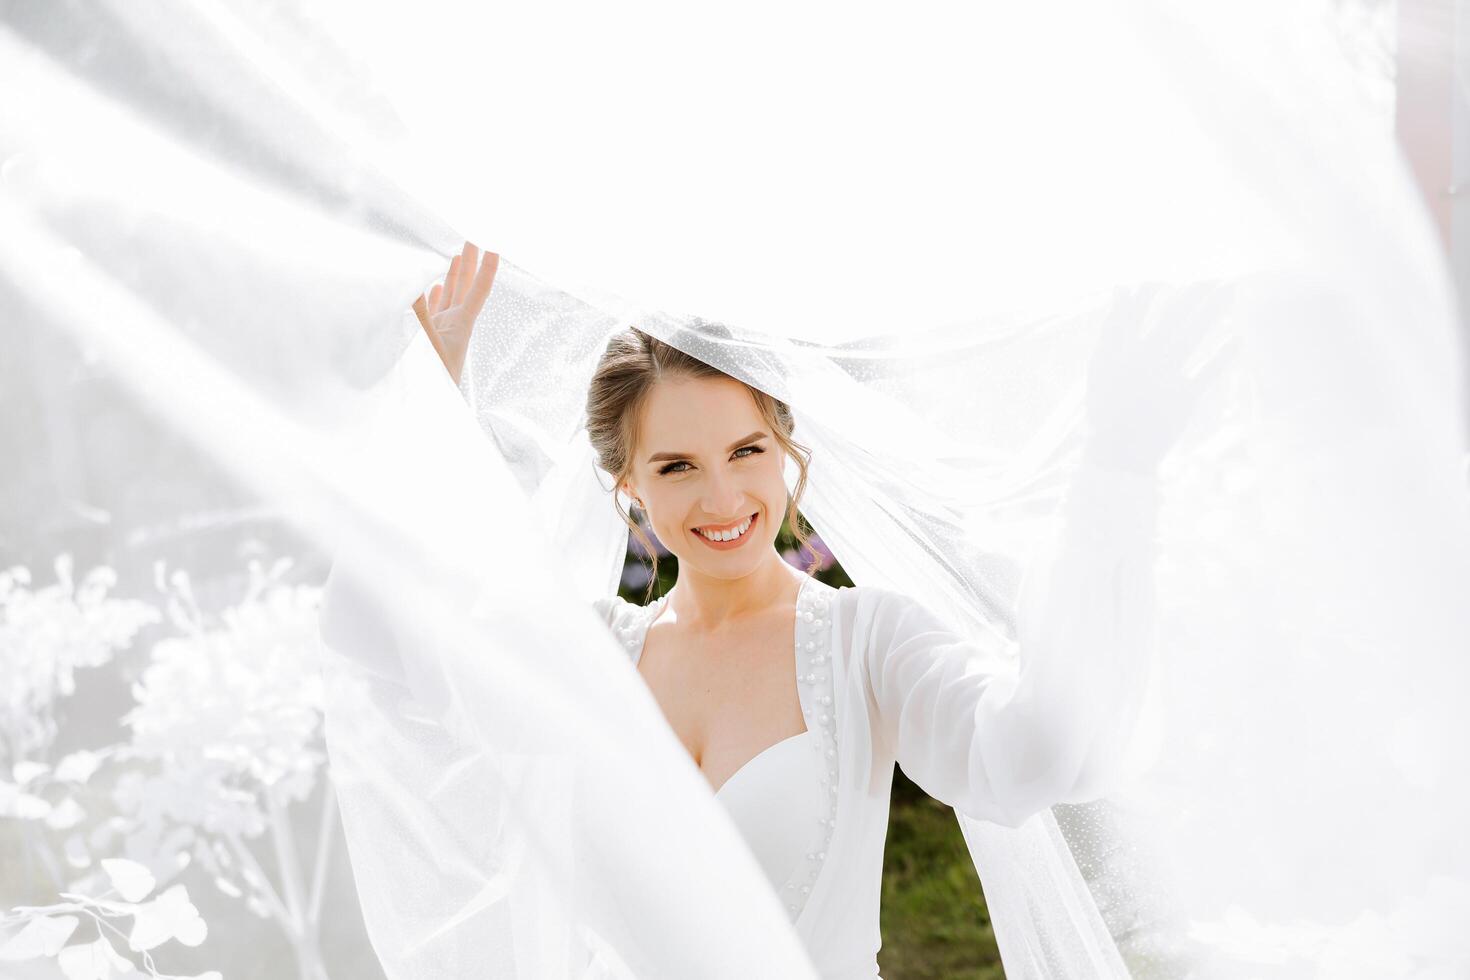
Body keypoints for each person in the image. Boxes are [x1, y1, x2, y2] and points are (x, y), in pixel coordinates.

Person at [399, 240, 1213, 978]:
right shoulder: (590, 654)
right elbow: (425, 651)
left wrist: (1115, 473)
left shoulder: (867, 643)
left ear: (788, 451)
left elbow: (1034, 753)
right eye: (677, 466)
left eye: (746, 451)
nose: (722, 497)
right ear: (628, 488)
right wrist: (425, 420)